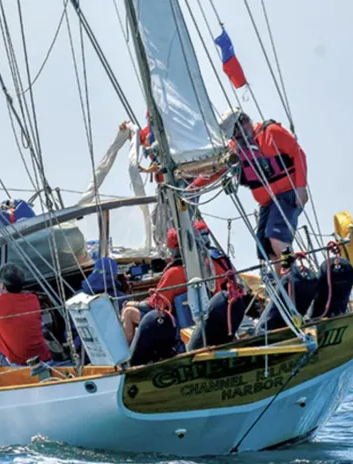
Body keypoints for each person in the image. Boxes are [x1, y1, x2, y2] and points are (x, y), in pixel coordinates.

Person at [190, 108, 307, 272]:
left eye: (236, 135)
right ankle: (285, 286)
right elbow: (217, 171)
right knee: (266, 246)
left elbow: (298, 153)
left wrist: (301, 187)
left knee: (276, 237)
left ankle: (294, 275)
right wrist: (193, 187)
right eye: (232, 137)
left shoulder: (271, 132)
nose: (236, 140)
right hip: (267, 203)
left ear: (244, 123)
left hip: (287, 194)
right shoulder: (235, 149)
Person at [120, 228, 186, 343]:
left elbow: (155, 304)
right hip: (179, 317)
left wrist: (135, 303)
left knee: (128, 312)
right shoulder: (198, 267)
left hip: (169, 322)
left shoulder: (173, 273)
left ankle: (129, 357)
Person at [193, 220, 235, 295]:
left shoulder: (206, 259)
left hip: (221, 294)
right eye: (203, 234)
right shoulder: (217, 253)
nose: (205, 237)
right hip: (228, 292)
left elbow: (215, 284)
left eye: (206, 234)